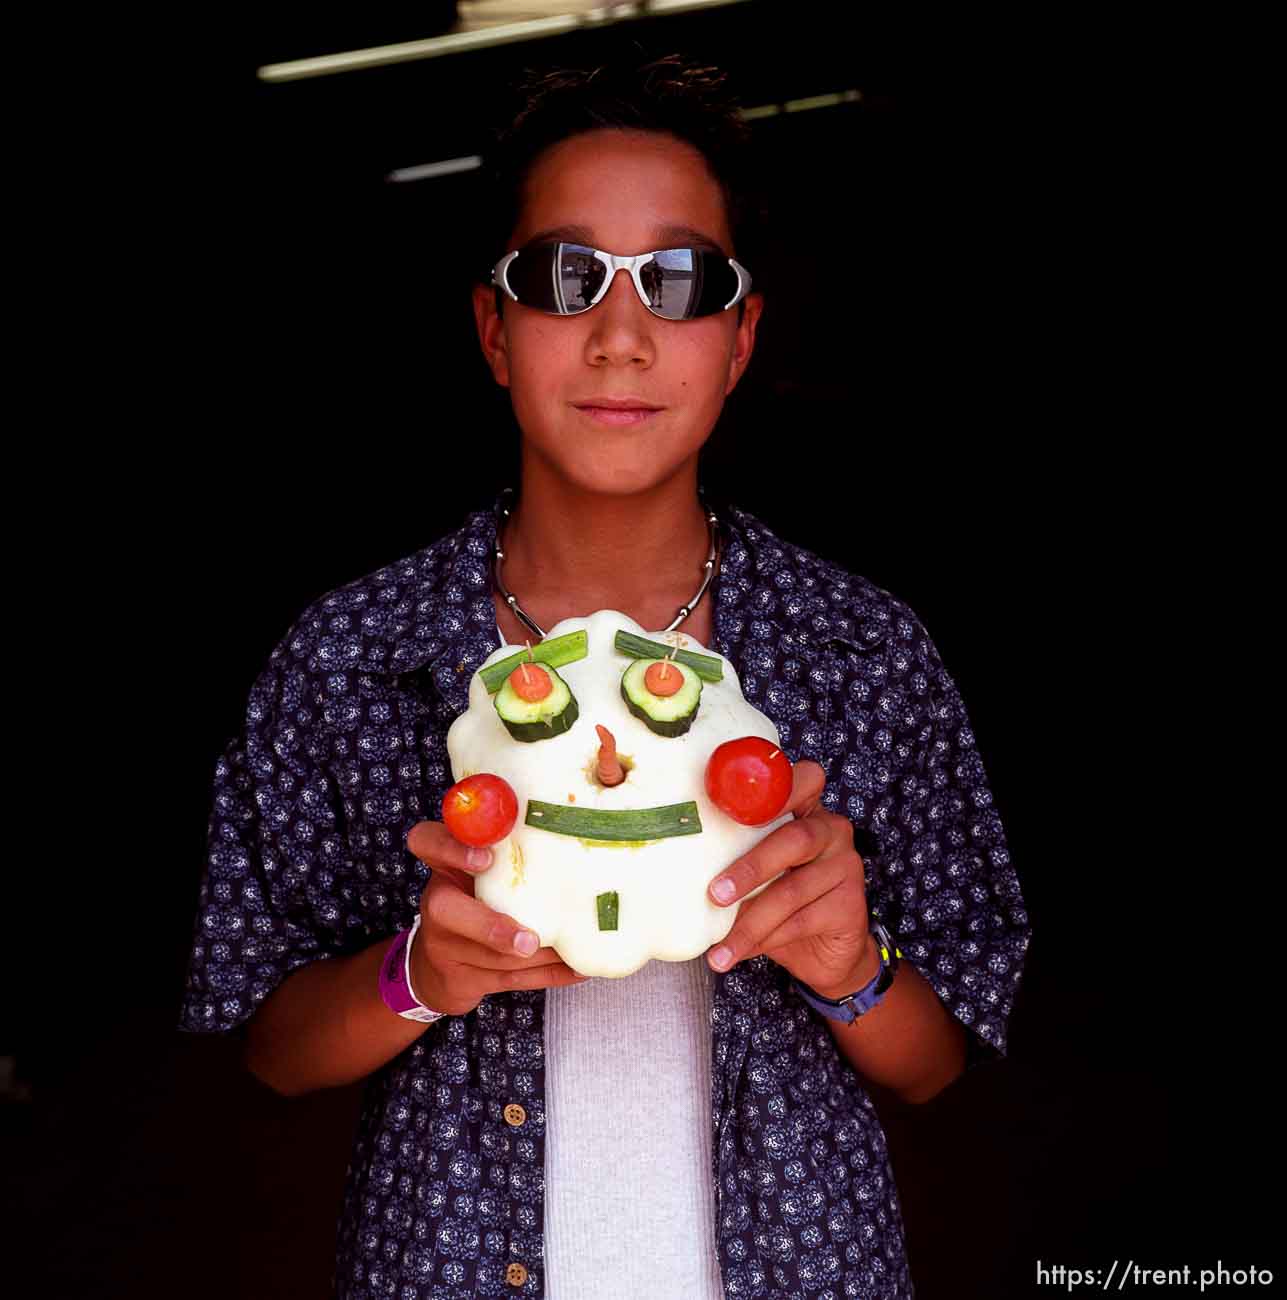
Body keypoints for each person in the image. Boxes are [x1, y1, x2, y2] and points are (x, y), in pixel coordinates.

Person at [179, 50, 1030, 1300]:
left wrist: (854, 965)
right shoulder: (352, 659)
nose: (623, 335)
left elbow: (936, 1062)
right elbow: (269, 1047)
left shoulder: (864, 654)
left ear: (740, 340)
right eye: (564, 277)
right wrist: (419, 973)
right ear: (494, 330)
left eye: (681, 281)